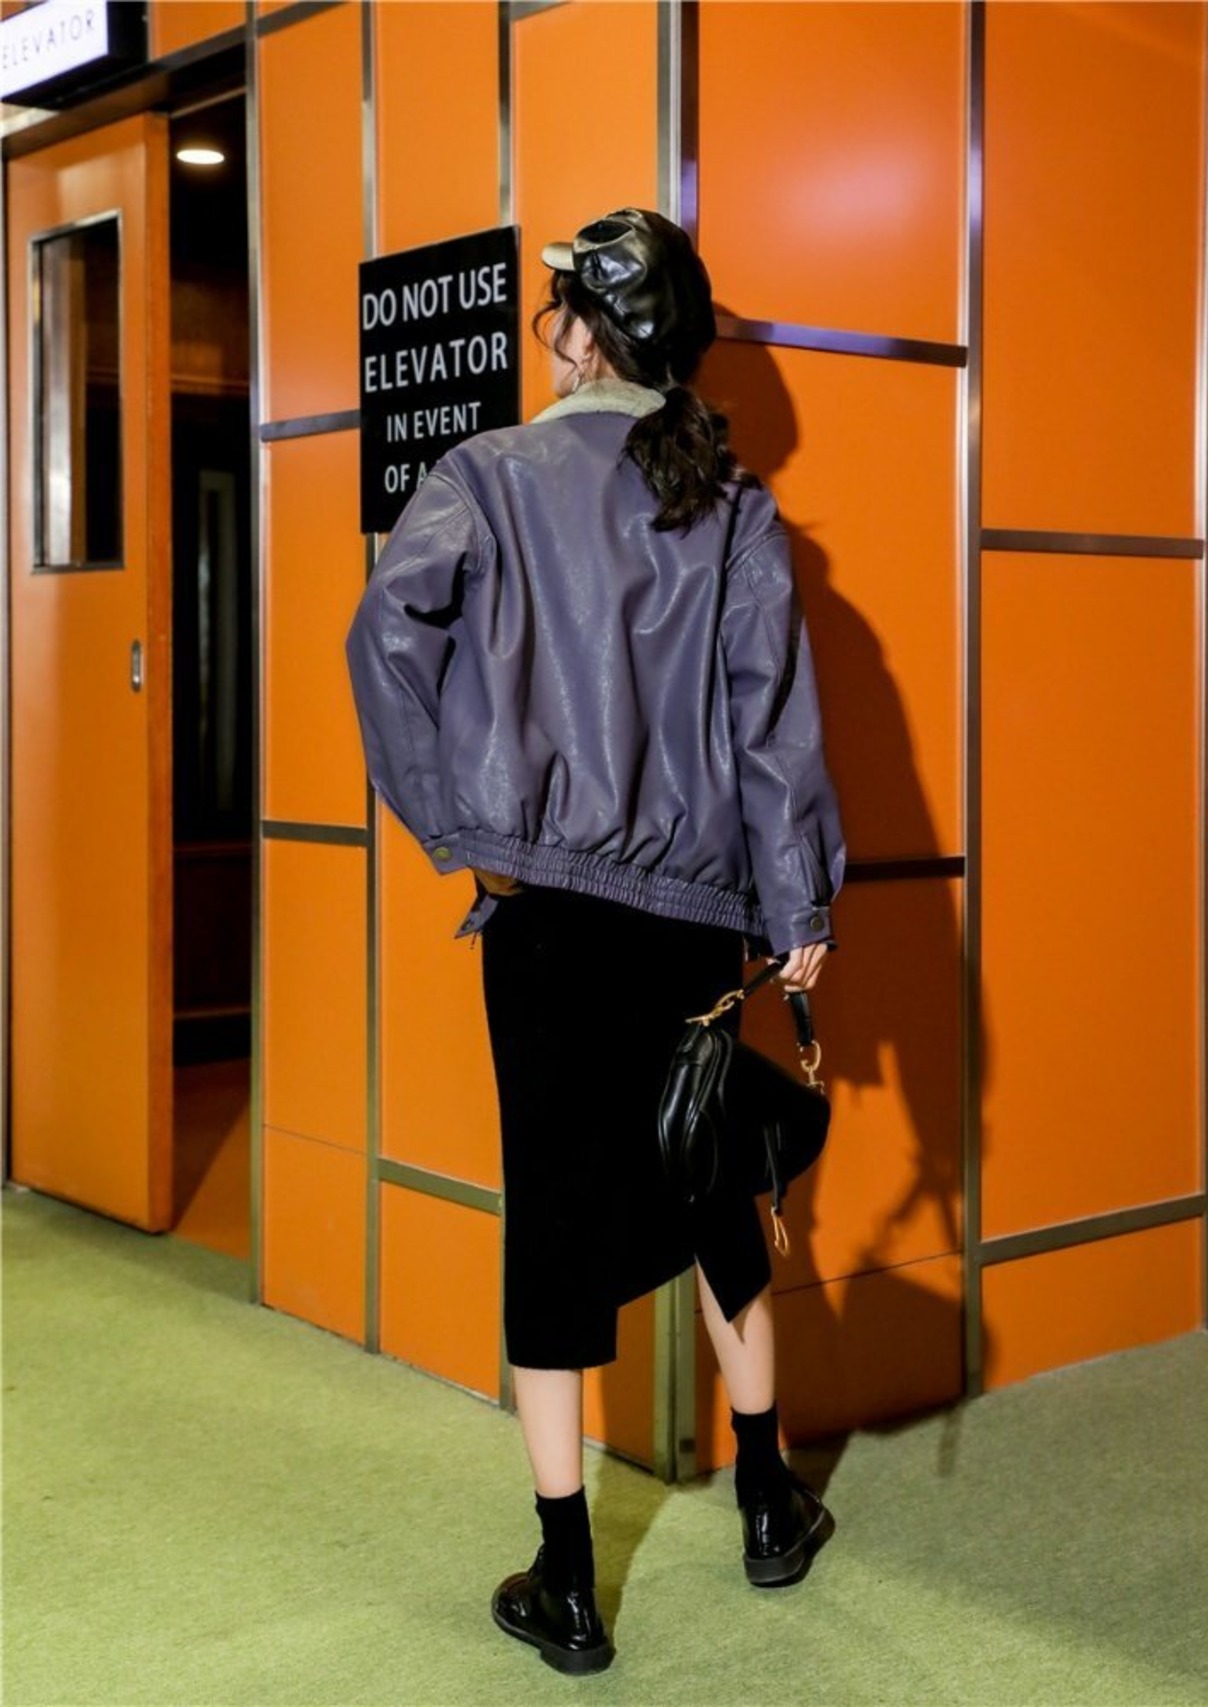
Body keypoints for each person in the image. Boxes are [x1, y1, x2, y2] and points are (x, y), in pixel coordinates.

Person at [346, 208, 845, 1675]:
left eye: (554, 308)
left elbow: (384, 643)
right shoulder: (730, 503)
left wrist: (464, 832)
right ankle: (770, 1506)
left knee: (556, 1219)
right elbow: (770, 721)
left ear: (578, 331)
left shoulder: (484, 475)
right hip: (692, 918)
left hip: (546, 921)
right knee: (716, 1192)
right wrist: (798, 908)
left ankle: (568, 1584)